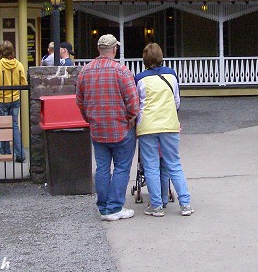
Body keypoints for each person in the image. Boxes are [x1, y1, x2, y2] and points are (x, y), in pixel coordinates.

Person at [75, 34, 139, 221]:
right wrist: (129, 119)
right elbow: (133, 103)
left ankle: (103, 207)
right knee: (121, 168)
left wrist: (90, 119)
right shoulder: (121, 71)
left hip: (97, 129)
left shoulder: (85, 71)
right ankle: (114, 207)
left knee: (102, 168)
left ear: (99, 49)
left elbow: (79, 101)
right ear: (114, 49)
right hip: (121, 128)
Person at [135, 43, 193, 217]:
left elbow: (137, 104)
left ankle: (156, 205)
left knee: (151, 166)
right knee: (174, 164)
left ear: (144, 59)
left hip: (147, 125)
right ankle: (185, 203)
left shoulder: (139, 78)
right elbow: (177, 102)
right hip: (169, 124)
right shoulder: (171, 75)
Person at [0, 41, 27, 162]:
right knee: (15, 125)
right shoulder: (19, 64)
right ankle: (20, 153)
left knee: (4, 126)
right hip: (15, 98)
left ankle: (6, 151)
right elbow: (23, 82)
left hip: (1, 98)